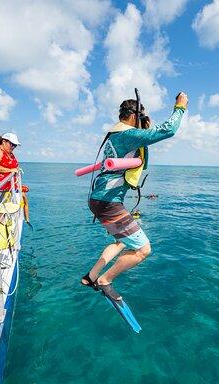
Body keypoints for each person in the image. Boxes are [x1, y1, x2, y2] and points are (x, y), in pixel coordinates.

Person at [82, 92, 188, 300]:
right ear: (133, 117)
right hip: (108, 202)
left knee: (122, 242)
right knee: (143, 249)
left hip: (99, 199)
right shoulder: (127, 135)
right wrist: (180, 107)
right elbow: (168, 130)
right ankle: (105, 280)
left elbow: (140, 144)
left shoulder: (115, 135)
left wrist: (144, 126)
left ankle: (91, 276)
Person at [0, 133, 31, 225]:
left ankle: (4, 230)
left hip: (7, 188)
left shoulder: (8, 152)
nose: (13, 147)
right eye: (11, 144)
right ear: (4, 141)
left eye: (15, 145)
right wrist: (10, 170)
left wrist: (17, 186)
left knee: (3, 210)